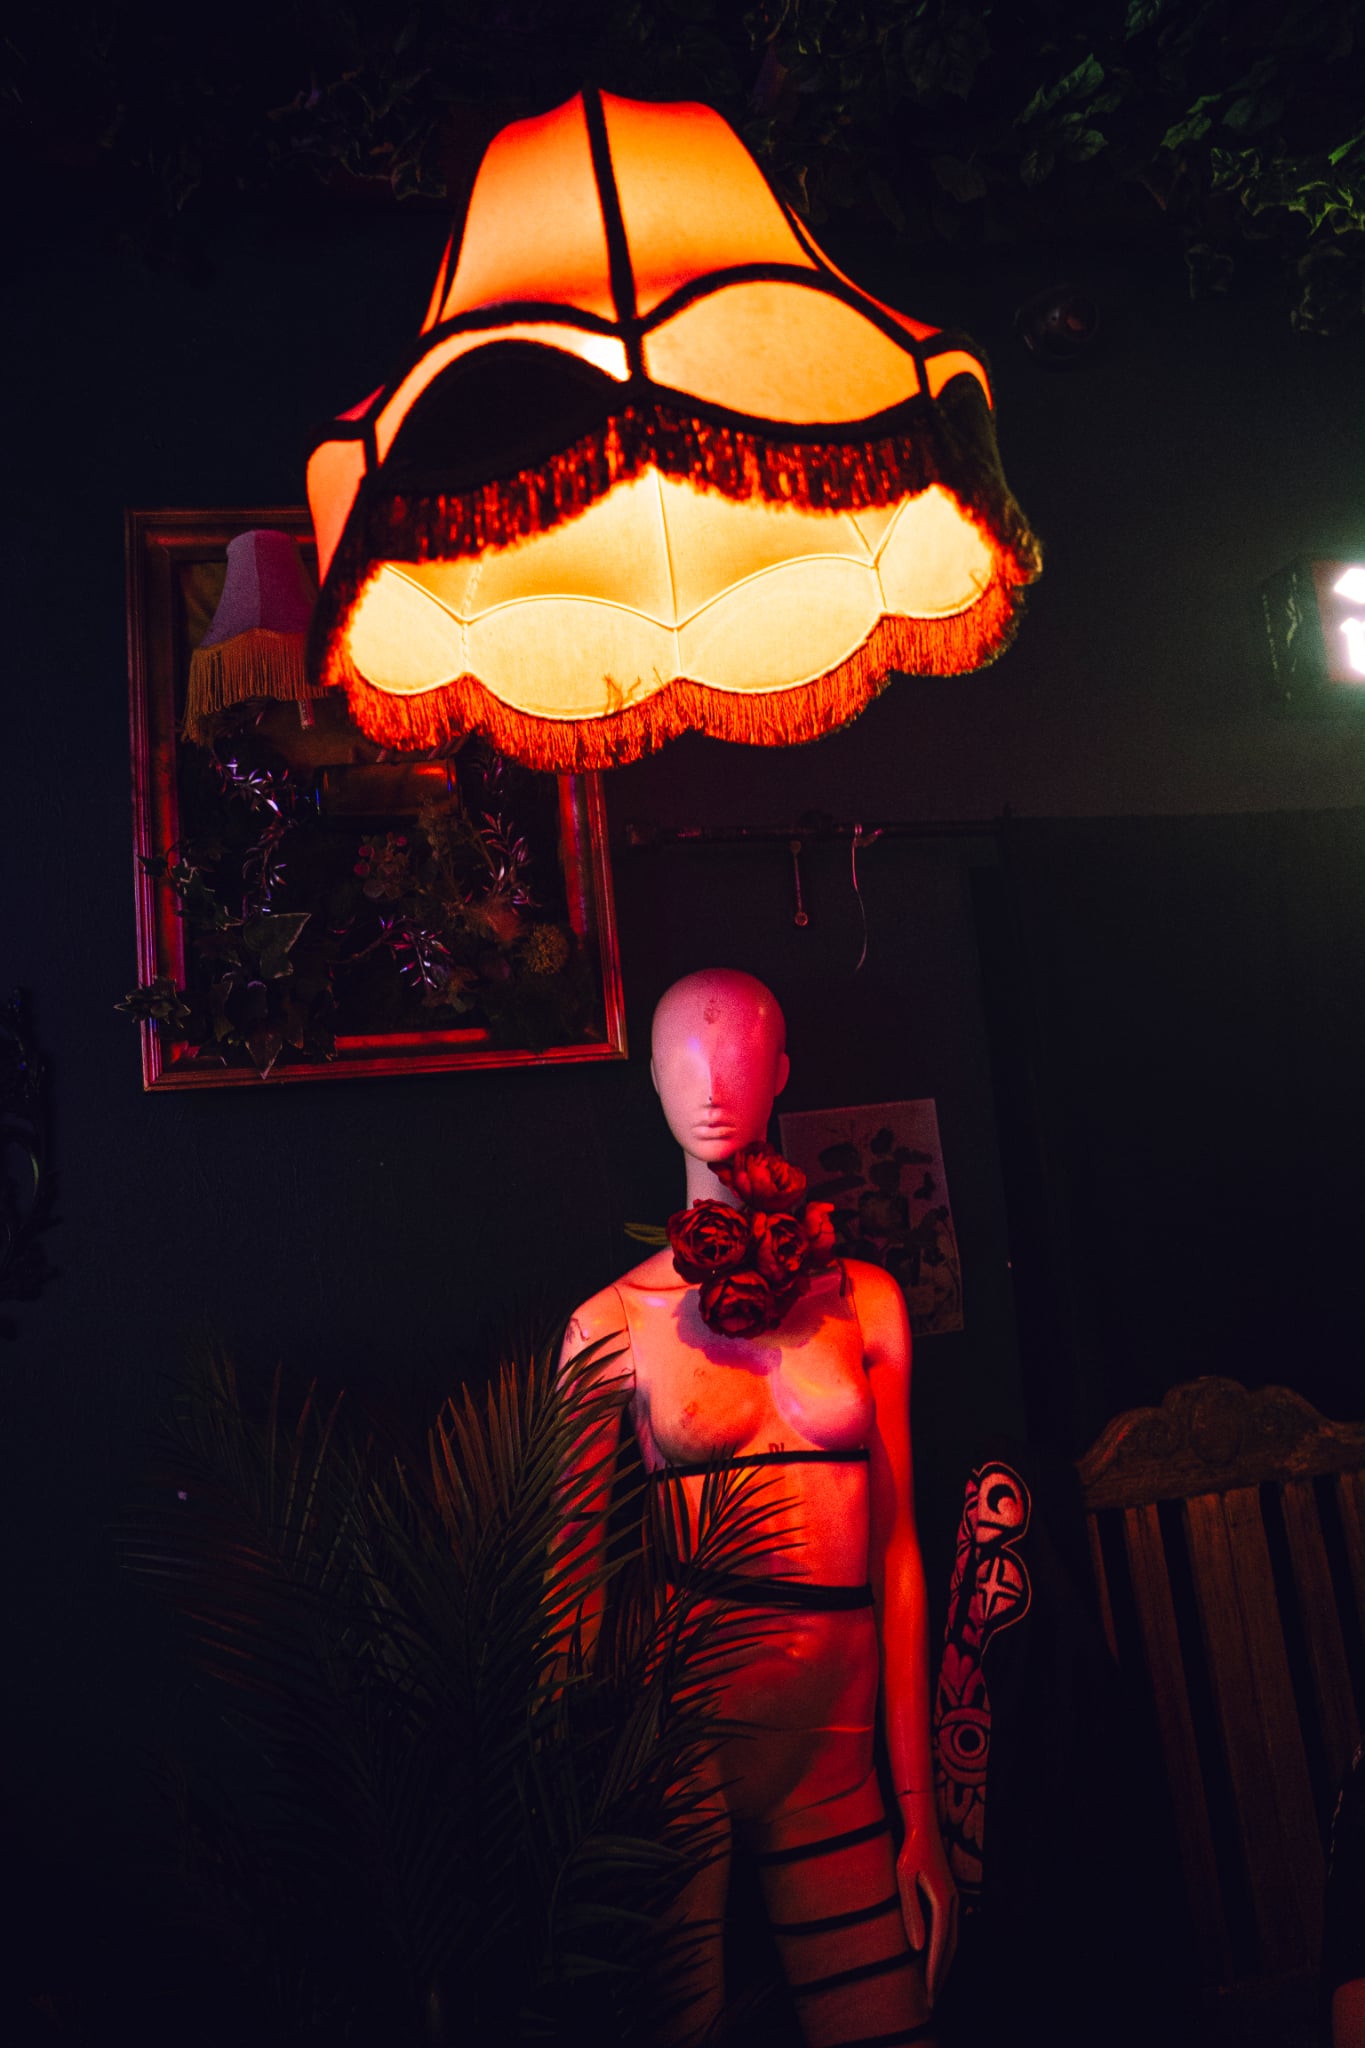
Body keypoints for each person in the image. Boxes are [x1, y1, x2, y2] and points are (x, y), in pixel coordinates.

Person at [562, 968, 956, 2047]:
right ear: (649, 1075)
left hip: (834, 1751)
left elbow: (898, 1550)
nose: (710, 1083)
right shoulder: (612, 1324)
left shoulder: (865, 1303)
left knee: (884, 2024)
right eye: (682, 1056)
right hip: (678, 1740)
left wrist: (919, 1806)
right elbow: (562, 1599)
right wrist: (579, 1817)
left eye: (736, 1053)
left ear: (781, 1072)